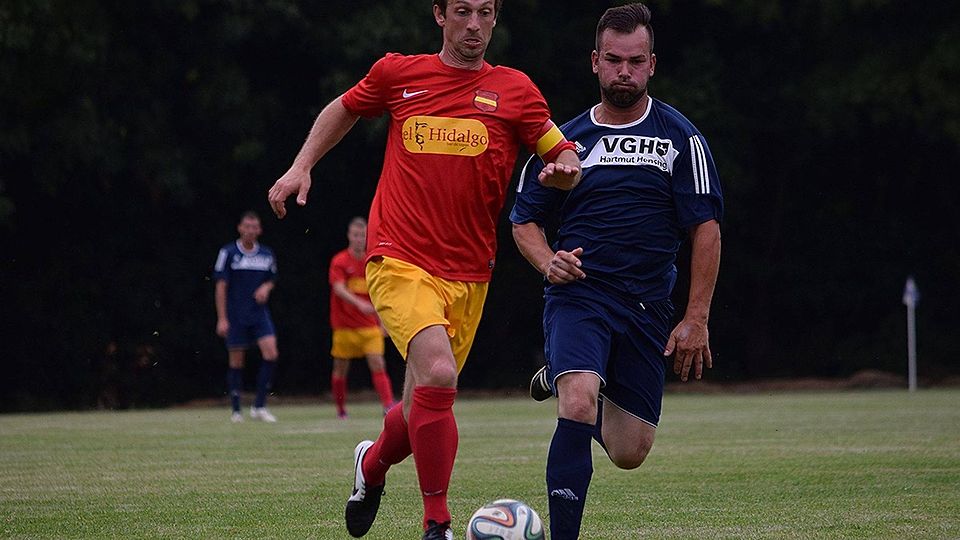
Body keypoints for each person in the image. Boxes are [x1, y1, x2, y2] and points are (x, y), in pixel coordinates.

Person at [267, 0, 581, 536]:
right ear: (439, 15)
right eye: (462, 11)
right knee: (439, 373)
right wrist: (301, 166)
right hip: (398, 257)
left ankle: (371, 465)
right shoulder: (399, 73)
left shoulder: (516, 91)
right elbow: (343, 108)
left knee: (421, 411)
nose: (474, 24)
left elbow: (562, 152)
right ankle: (437, 524)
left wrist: (566, 169)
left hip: (469, 273)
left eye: (485, 12)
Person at [509, 4, 723, 538]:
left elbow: (706, 230)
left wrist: (695, 317)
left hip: (649, 307)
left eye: (634, 61)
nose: (623, 71)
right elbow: (523, 220)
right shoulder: (563, 140)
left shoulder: (681, 139)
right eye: (613, 60)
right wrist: (547, 262)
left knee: (630, 451)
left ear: (651, 64)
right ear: (595, 62)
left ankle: (557, 379)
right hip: (580, 294)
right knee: (579, 398)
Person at [214, 211, 280, 423]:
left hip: (259, 314)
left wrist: (266, 288)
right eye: (247, 226)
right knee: (236, 361)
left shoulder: (267, 254)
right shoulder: (229, 252)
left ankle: (259, 406)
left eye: (255, 227)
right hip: (236, 315)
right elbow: (221, 286)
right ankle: (236, 410)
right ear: (240, 228)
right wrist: (222, 318)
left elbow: (272, 279)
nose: (251, 230)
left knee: (271, 353)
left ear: (259, 230)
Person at [328, 217, 396, 419]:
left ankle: (388, 406)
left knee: (378, 363)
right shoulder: (339, 261)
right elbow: (338, 288)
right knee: (340, 368)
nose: (359, 239)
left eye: (362, 236)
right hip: (344, 327)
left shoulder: (372, 262)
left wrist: (383, 322)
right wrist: (359, 304)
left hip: (368, 326)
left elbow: (379, 295)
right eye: (355, 235)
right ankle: (341, 410)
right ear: (349, 236)